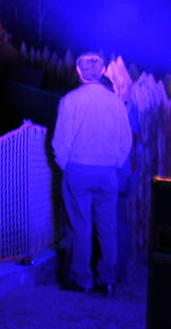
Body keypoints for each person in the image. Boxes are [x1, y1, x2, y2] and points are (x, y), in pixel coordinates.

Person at [53, 52, 132, 296]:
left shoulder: (70, 100)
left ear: (78, 71)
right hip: (107, 171)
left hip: (78, 169)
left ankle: (82, 279)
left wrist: (65, 164)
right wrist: (115, 162)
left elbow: (61, 140)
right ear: (102, 71)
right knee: (107, 228)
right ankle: (107, 279)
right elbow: (126, 140)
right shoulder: (116, 102)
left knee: (80, 227)